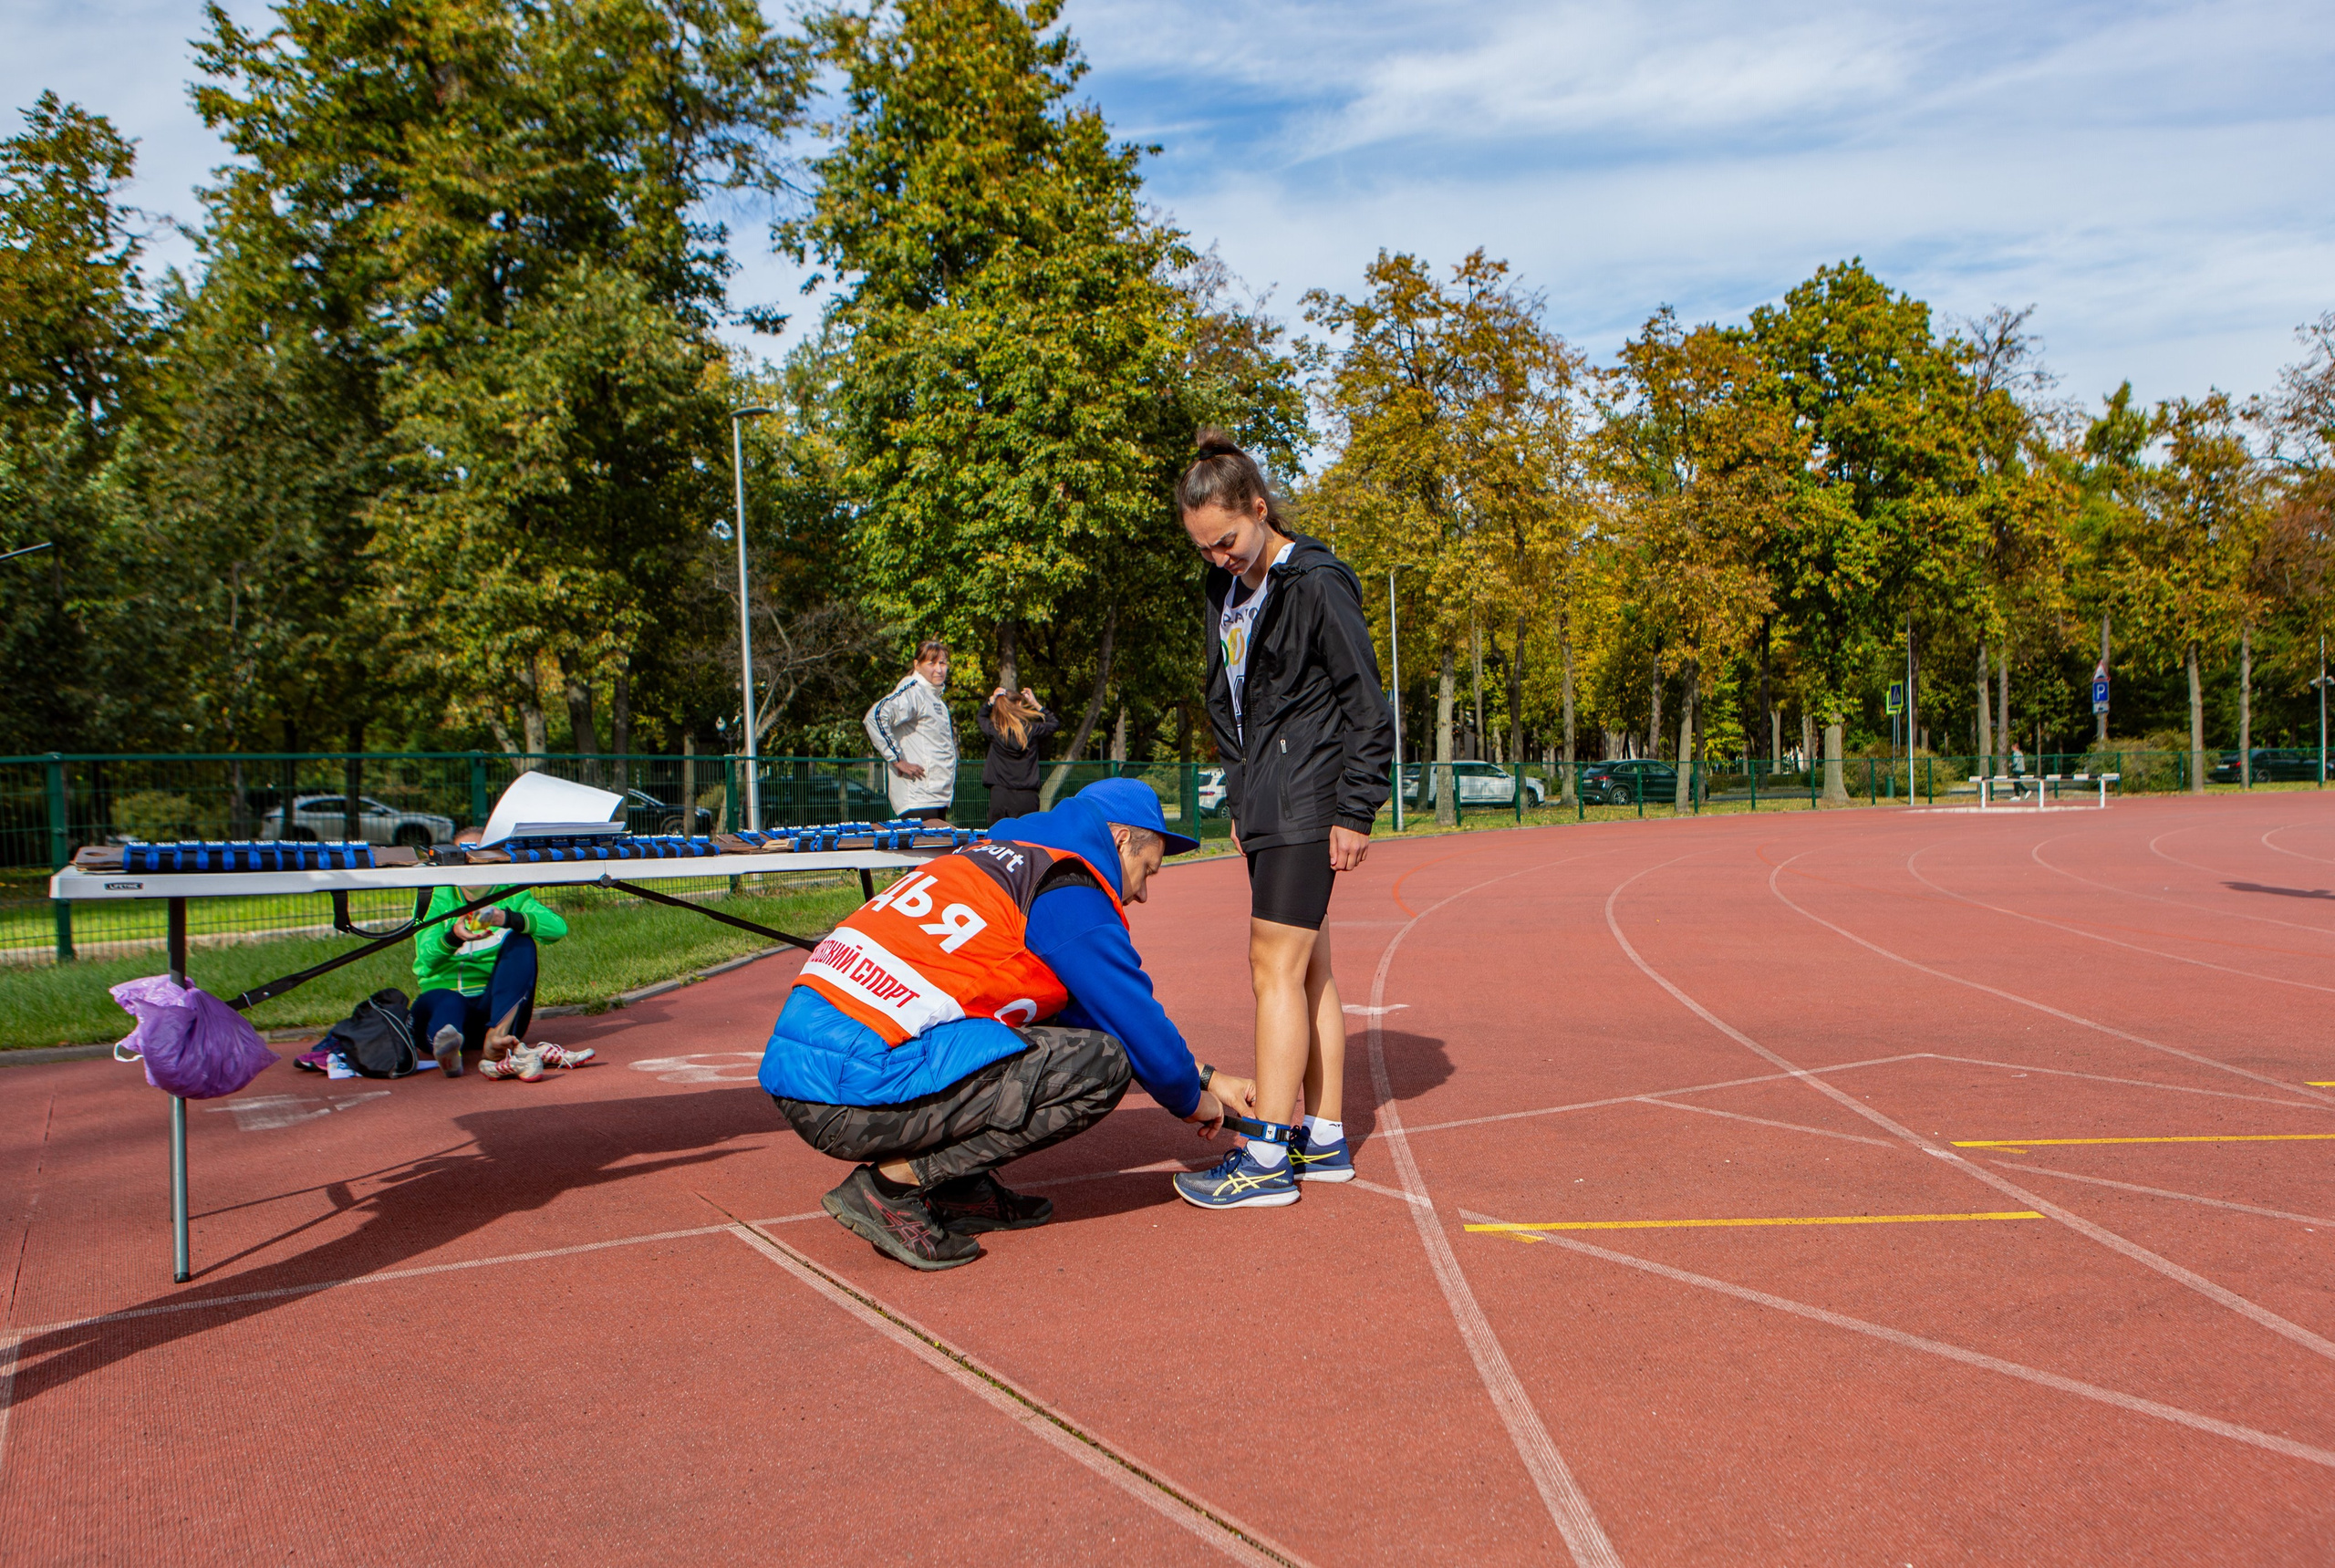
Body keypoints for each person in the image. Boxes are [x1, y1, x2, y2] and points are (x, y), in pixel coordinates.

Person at [758, 777, 1257, 1271]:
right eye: (1145, 871)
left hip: (809, 1072)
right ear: (1120, 839)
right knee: (1101, 1066)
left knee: (1060, 1034)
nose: (1142, 894)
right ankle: (892, 1187)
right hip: (847, 1092)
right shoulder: (1066, 888)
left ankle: (961, 1190)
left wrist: (1205, 1076)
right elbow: (1129, 1017)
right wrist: (1191, 1101)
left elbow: (1087, 1011)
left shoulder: (998, 856)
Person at [1174, 431, 1395, 1210]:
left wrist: (1355, 806)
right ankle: (1324, 1140)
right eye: (1204, 549)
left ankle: (1266, 1153)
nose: (1219, 558)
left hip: (1309, 795)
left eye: (1227, 540)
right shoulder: (1224, 593)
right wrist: (1241, 799)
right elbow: (1233, 706)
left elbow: (1366, 702)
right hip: (1266, 797)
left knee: (1271, 968)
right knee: (1309, 970)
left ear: (1259, 509)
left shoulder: (1316, 581)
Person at [410, 827, 594, 1083]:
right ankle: (449, 1048)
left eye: (479, 856)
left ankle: (495, 1039)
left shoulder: (511, 893)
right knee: (446, 1002)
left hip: (494, 1013)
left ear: (496, 858)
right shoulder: (436, 896)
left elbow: (557, 928)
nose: (470, 865)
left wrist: (505, 918)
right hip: (445, 1003)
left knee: (522, 941)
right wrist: (453, 936)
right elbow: (426, 961)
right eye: (462, 858)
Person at [865, 639, 959, 824]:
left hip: (937, 796)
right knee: (926, 851)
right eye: (931, 663)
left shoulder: (935, 698)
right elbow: (875, 716)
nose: (939, 669)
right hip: (918, 798)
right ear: (917, 665)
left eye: (943, 663)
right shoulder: (913, 690)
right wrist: (897, 759)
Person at [976, 685, 1060, 826]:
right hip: (1027, 796)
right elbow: (1054, 723)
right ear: (1019, 704)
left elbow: (981, 716)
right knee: (1026, 841)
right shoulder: (1032, 730)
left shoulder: (995, 731)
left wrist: (991, 700)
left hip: (1000, 795)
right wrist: (1035, 704)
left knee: (999, 840)